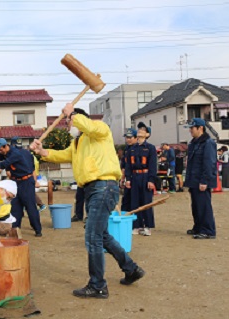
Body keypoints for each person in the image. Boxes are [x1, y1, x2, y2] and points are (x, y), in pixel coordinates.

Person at [31, 104, 145, 299]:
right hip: (93, 189)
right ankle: (131, 269)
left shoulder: (99, 128)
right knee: (102, 235)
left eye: (69, 122)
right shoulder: (78, 143)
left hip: (104, 186)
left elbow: (89, 127)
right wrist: (42, 151)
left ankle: (98, 285)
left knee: (93, 236)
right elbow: (63, 155)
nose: (68, 125)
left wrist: (72, 114)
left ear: (79, 119)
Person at [0, 138, 43, 237]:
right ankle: (15, 228)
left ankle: (37, 229)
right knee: (15, 206)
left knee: (30, 206)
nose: (0, 151)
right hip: (15, 181)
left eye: (0, 149)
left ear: (6, 146)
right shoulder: (4, 153)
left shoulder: (16, 154)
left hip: (26, 181)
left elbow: (1, 165)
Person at [184, 118, 217, 239]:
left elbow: (209, 163)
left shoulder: (208, 143)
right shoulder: (194, 143)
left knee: (204, 205)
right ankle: (198, 226)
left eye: (192, 128)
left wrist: (204, 180)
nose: (190, 131)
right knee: (196, 206)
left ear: (200, 128)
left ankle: (208, 230)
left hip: (201, 180)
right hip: (193, 180)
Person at [125, 123, 157, 236]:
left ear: (147, 134)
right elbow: (128, 165)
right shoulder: (131, 149)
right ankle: (136, 226)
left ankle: (147, 226)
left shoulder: (151, 148)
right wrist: (128, 179)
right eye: (139, 130)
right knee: (135, 202)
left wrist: (151, 180)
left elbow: (153, 165)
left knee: (146, 202)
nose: (139, 132)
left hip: (146, 176)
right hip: (134, 177)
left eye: (143, 130)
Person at [120, 128, 137, 212]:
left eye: (130, 138)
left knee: (135, 199)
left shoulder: (138, 148)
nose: (128, 140)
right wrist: (122, 178)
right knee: (126, 199)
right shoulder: (126, 149)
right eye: (127, 137)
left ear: (136, 138)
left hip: (136, 176)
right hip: (127, 176)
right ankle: (124, 215)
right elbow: (123, 165)